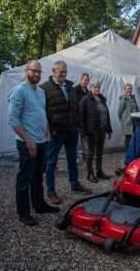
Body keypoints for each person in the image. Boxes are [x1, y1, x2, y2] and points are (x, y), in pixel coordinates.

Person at [8, 60, 59, 226]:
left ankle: (39, 205)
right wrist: (28, 140)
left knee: (38, 176)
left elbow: (40, 113)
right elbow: (13, 120)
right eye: (34, 71)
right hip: (27, 143)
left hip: (42, 141)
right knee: (24, 178)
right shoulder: (19, 91)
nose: (37, 74)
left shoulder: (40, 92)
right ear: (26, 71)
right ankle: (23, 213)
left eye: (39, 72)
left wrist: (47, 131)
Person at [40, 61, 91, 205]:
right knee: (51, 162)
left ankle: (75, 184)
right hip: (56, 132)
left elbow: (75, 107)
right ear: (53, 71)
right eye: (60, 71)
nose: (63, 74)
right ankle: (51, 191)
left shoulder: (70, 87)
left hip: (71, 130)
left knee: (72, 159)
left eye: (65, 72)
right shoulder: (44, 88)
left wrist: (77, 125)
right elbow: (42, 111)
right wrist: (48, 130)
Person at [79, 82, 112, 183]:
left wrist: (109, 129)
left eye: (98, 87)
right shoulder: (85, 100)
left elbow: (107, 114)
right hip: (91, 131)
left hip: (102, 129)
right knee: (90, 153)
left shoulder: (102, 98)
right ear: (90, 88)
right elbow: (81, 118)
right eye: (94, 87)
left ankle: (99, 171)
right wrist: (83, 133)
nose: (97, 89)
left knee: (99, 152)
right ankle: (90, 174)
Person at [118, 83, 139, 149]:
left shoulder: (133, 97)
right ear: (124, 90)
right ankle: (128, 153)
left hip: (135, 120)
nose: (129, 90)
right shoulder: (123, 98)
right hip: (127, 121)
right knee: (128, 138)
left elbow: (136, 108)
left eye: (130, 89)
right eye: (127, 89)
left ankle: (134, 152)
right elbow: (119, 111)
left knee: (136, 136)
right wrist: (123, 119)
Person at [75, 73, 90, 161]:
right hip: (78, 119)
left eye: (87, 80)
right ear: (81, 80)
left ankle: (85, 156)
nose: (86, 82)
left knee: (85, 139)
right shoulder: (76, 90)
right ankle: (78, 157)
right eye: (85, 80)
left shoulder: (87, 91)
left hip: (86, 120)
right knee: (78, 141)